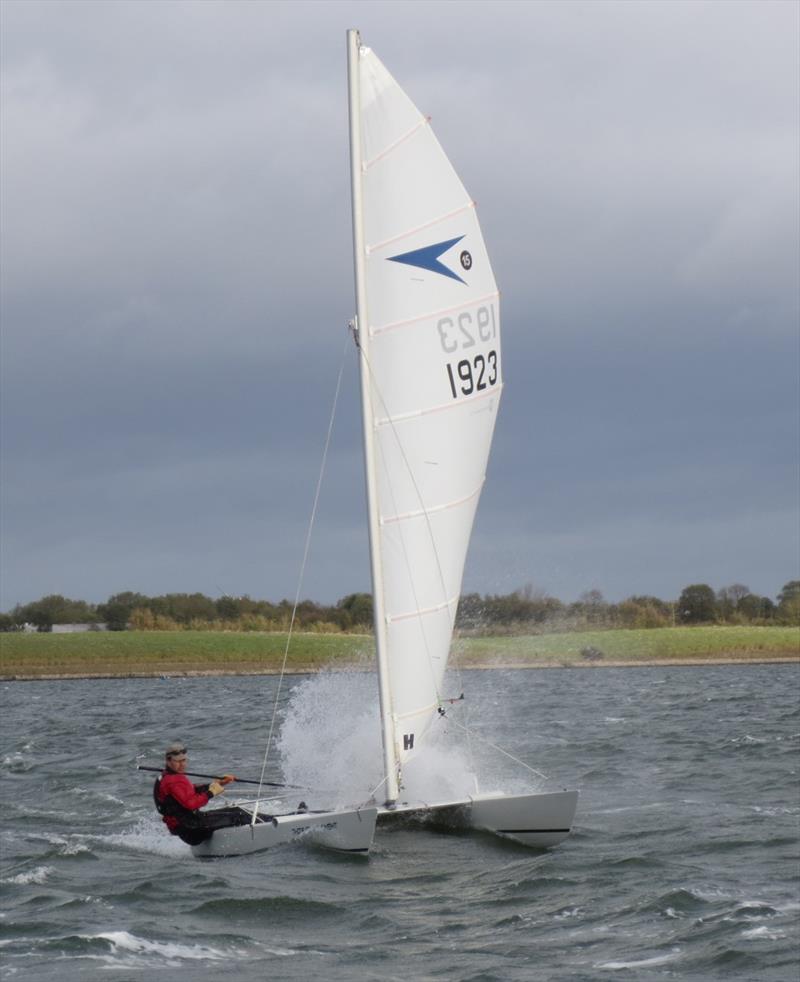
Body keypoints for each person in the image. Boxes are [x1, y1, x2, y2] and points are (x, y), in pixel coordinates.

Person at [153, 742, 258, 845]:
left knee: (236, 810)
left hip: (188, 825)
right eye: (178, 761)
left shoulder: (166, 776)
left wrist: (218, 783)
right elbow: (191, 804)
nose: (182, 765)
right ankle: (271, 823)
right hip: (191, 830)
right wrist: (211, 793)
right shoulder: (173, 781)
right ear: (168, 761)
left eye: (184, 760)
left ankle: (270, 819)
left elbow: (189, 791)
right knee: (238, 816)